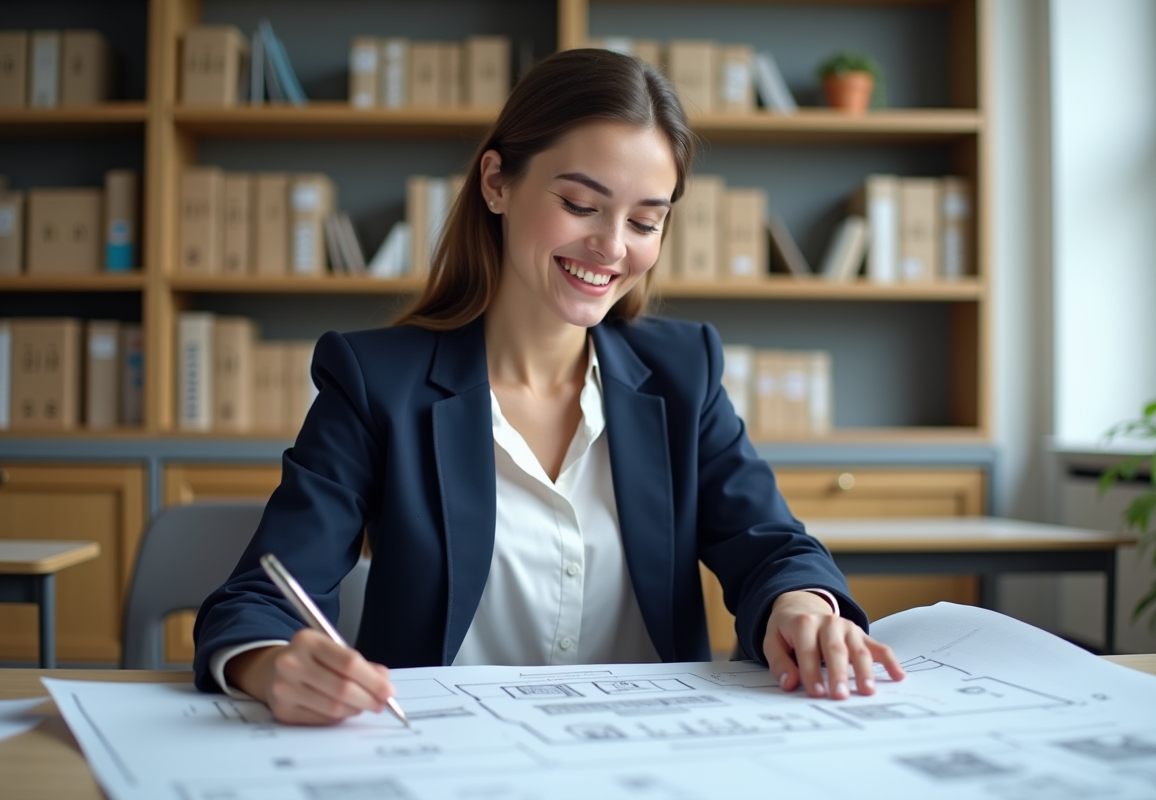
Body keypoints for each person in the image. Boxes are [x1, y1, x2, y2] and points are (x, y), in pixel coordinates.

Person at [193, 48, 905, 725]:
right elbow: (262, 595)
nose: (613, 246)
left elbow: (774, 549)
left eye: (646, 220)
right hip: (442, 762)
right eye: (581, 203)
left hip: (656, 759)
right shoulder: (377, 382)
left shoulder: (684, 372)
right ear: (497, 181)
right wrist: (272, 663)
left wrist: (803, 606)